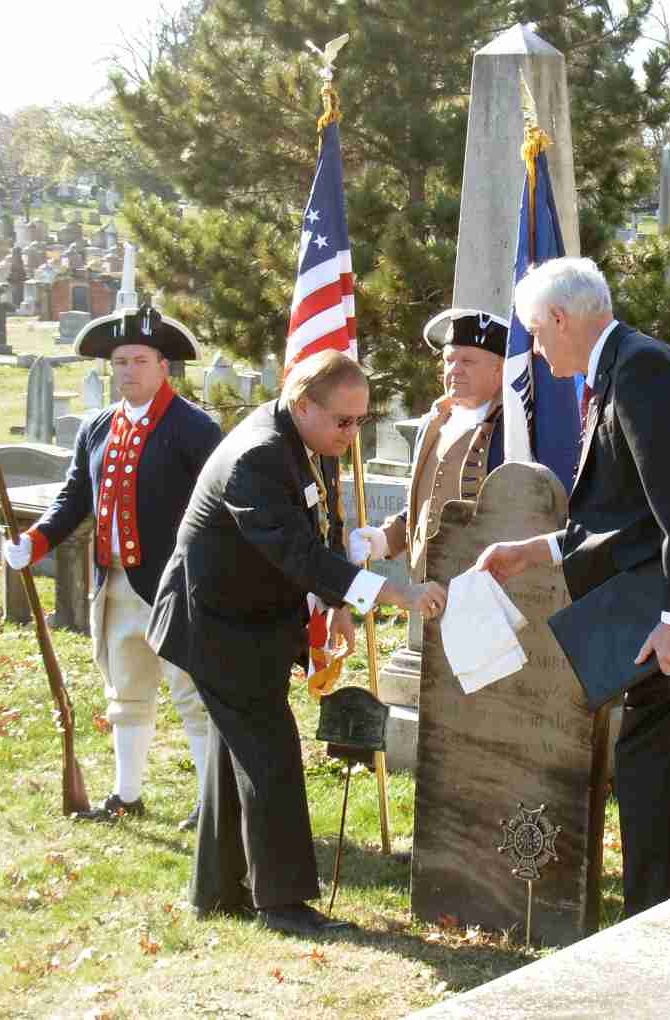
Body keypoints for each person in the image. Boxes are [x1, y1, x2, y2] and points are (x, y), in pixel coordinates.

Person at [474, 257, 670, 915]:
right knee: (656, 782)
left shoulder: (642, 372)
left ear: (561, 319)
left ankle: (661, 925)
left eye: (537, 336)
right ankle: (665, 920)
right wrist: (539, 549)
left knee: (659, 783)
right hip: (660, 613)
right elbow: (628, 515)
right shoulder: (620, 368)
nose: (537, 353)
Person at [146, 350, 447, 938]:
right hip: (214, 624)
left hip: (246, 623)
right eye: (343, 421)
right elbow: (296, 552)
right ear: (303, 403)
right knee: (271, 758)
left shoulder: (309, 443)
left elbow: (323, 530)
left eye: (361, 421)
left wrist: (336, 603)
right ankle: (281, 904)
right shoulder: (257, 457)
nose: (351, 433)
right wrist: (393, 594)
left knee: (233, 757)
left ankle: (217, 891)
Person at [3, 299, 221, 829]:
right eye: (121, 361)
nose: (129, 371)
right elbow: (75, 497)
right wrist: (35, 541)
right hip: (115, 583)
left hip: (176, 588)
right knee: (125, 692)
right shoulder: (98, 427)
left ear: (163, 366)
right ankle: (127, 793)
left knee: (192, 696)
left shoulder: (195, 429)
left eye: (140, 360)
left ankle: (212, 802)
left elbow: (219, 512)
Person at [347, 308, 505, 572]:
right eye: (449, 360)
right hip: (427, 588)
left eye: (467, 361)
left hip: (486, 590)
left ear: (499, 369)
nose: (454, 370)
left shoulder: (509, 429)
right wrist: (385, 540)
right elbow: (423, 504)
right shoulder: (434, 422)